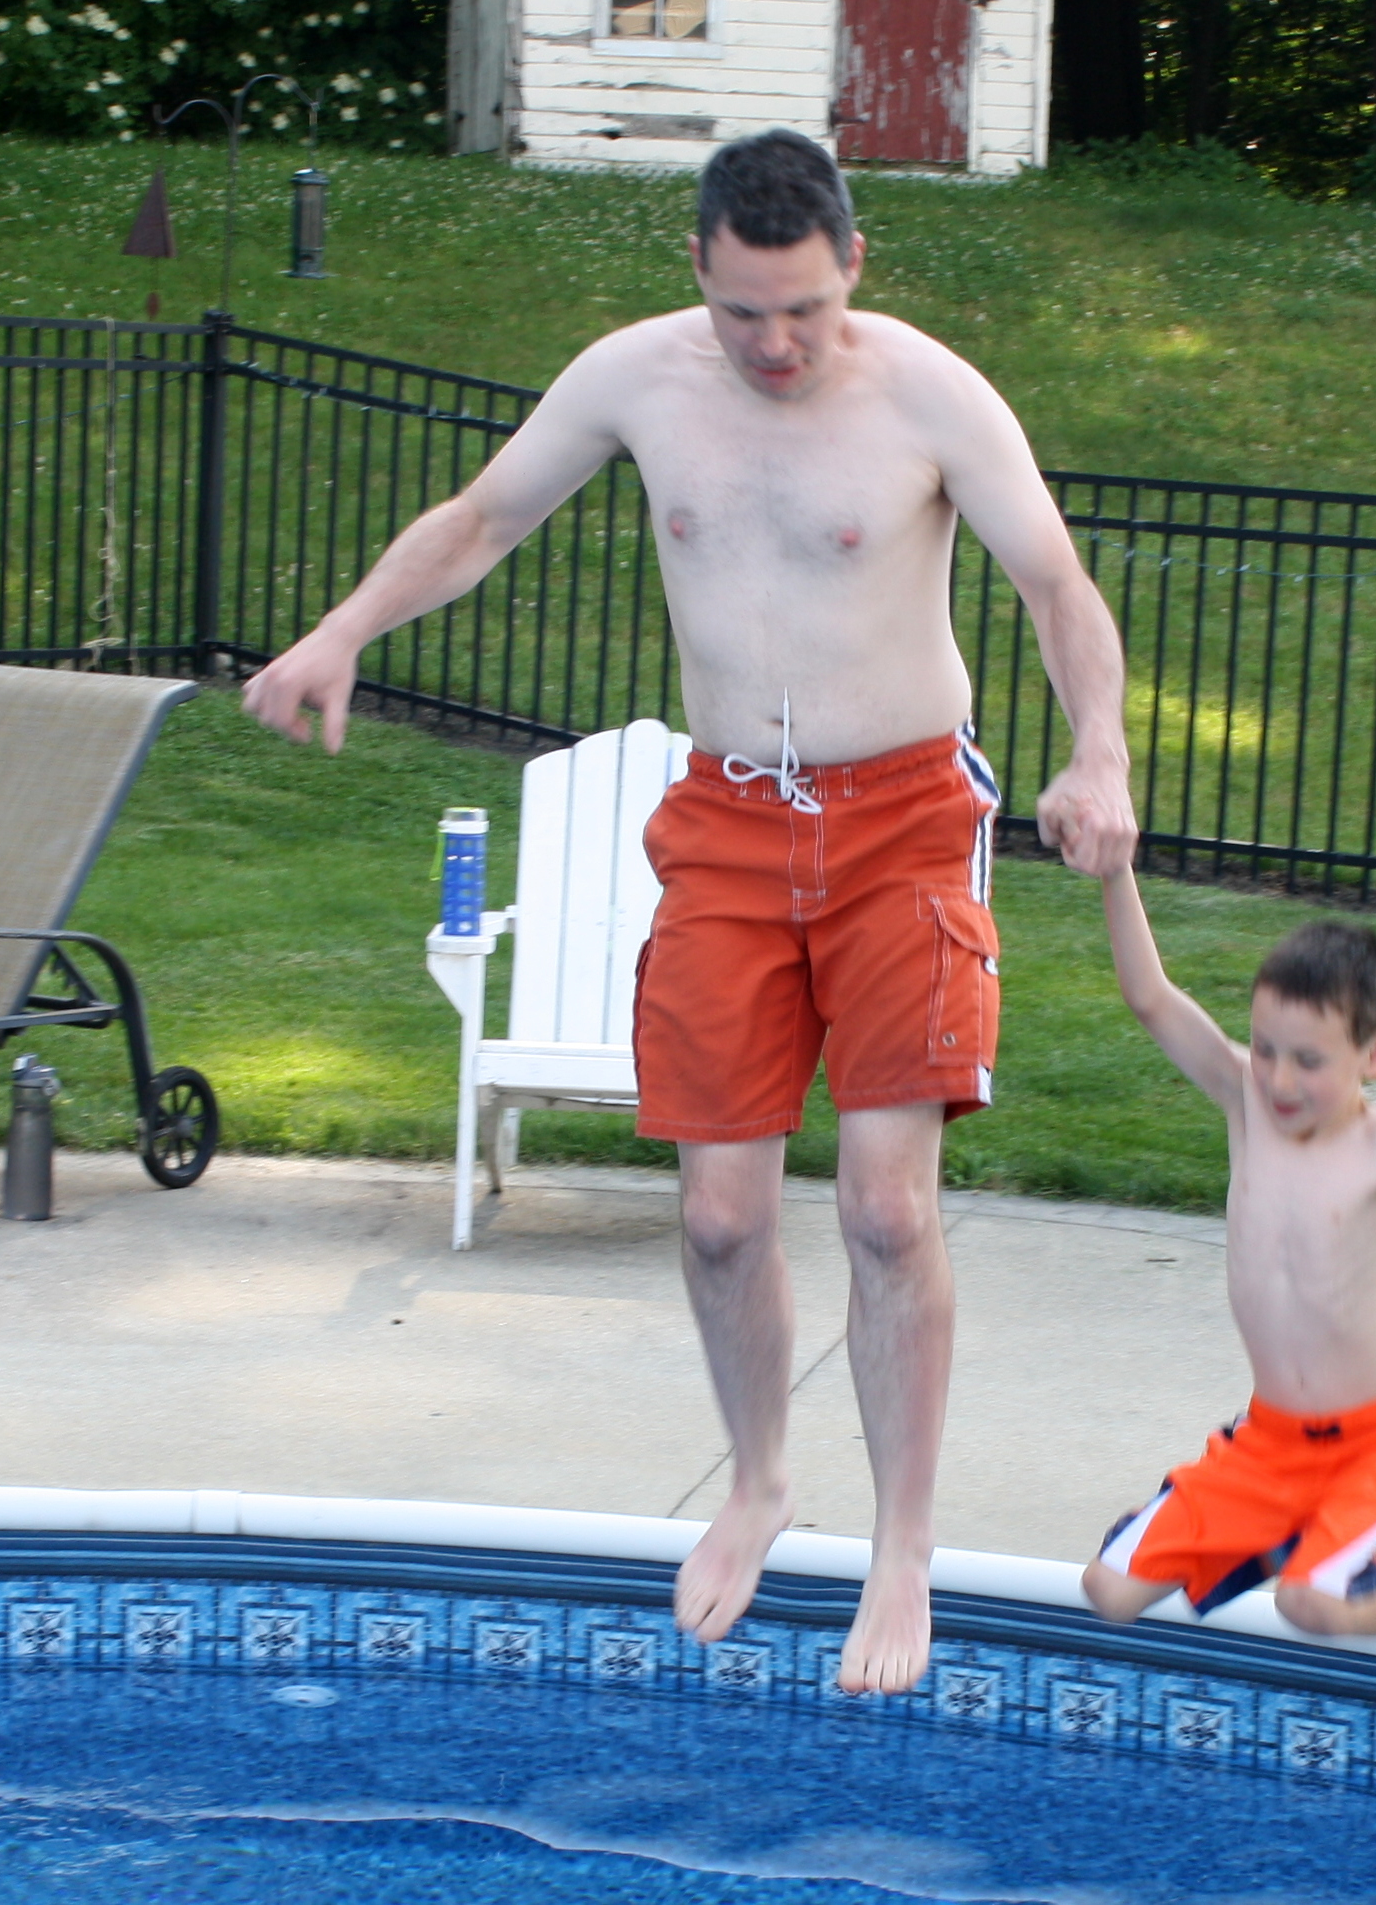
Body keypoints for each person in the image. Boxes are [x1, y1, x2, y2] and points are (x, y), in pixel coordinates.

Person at [244, 128, 1137, 1695]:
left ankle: (902, 1546)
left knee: (883, 1208)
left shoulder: (929, 396)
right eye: (742, 312)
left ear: (851, 262)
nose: (773, 344)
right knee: (719, 1215)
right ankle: (758, 1480)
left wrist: (1098, 749)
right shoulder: (635, 378)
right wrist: (341, 631)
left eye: (800, 309)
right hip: (726, 821)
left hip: (902, 817)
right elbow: (480, 517)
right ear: (696, 272)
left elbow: (1055, 586)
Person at [1075, 884, 1376, 1742]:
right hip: (1268, 1441)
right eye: (1264, 1049)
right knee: (1107, 1589)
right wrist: (1115, 874)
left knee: (1310, 1601)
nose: (1279, 1078)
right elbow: (1149, 996)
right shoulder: (1244, 1099)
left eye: (1308, 1060)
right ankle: (1295, 1535)